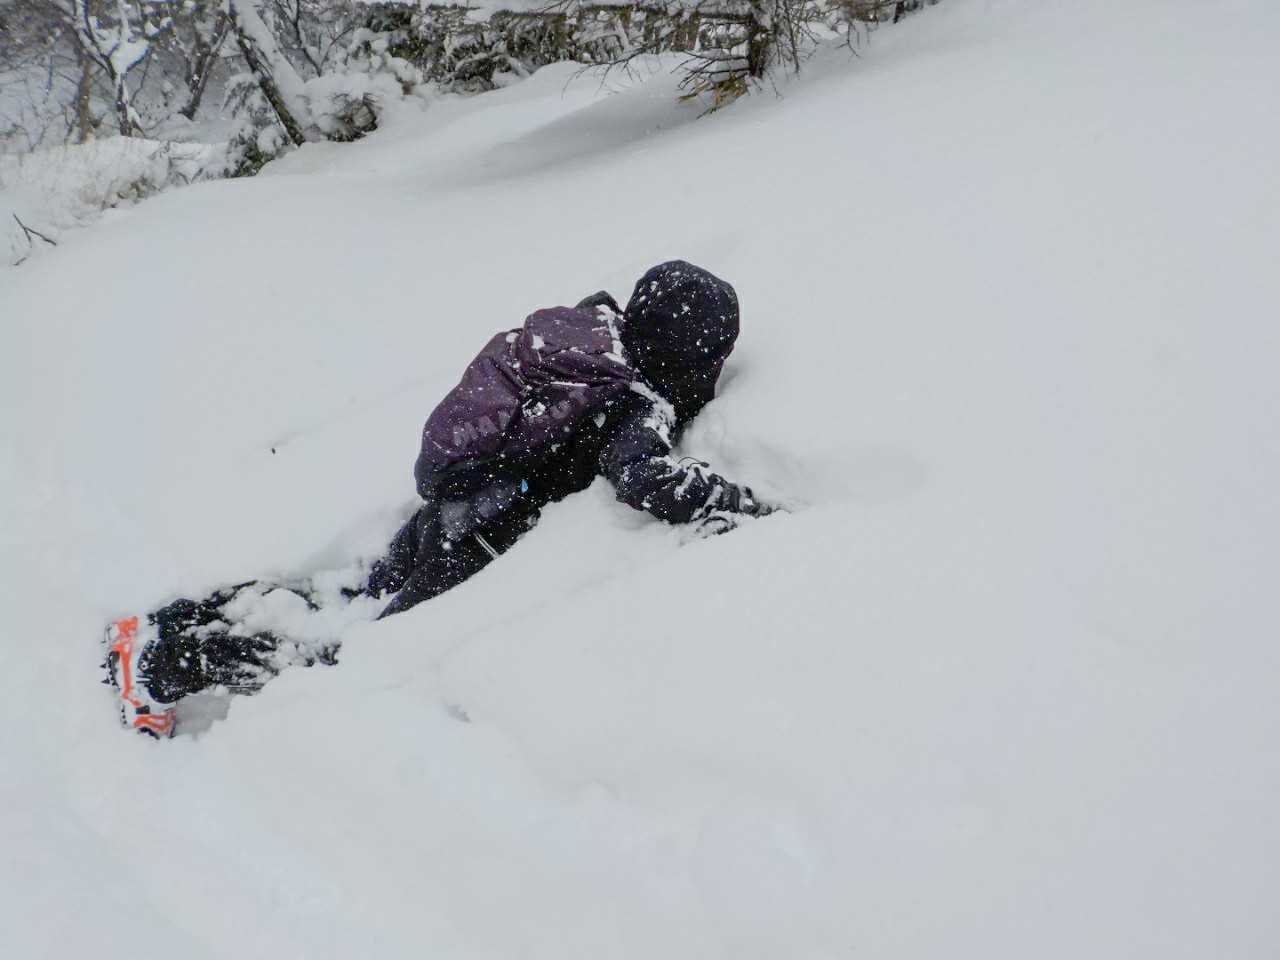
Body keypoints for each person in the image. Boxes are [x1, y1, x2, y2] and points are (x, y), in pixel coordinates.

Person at [105, 261, 774, 736]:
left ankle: (175, 625)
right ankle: (160, 663)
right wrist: (751, 508)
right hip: (478, 532)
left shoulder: (592, 333)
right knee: (344, 644)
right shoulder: (638, 398)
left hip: (459, 499)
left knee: (342, 602)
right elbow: (643, 478)